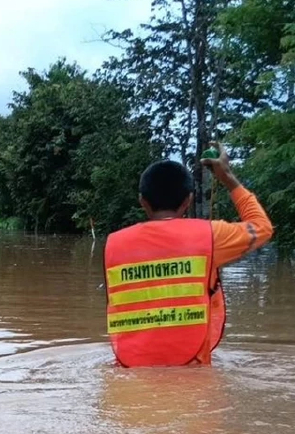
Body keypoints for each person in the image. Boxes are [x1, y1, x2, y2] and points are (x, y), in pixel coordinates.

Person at [104, 142, 273, 367]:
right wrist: (227, 178)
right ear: (188, 200)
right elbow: (262, 227)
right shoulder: (211, 236)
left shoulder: (114, 244)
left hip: (129, 371)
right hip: (193, 370)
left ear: (143, 201)